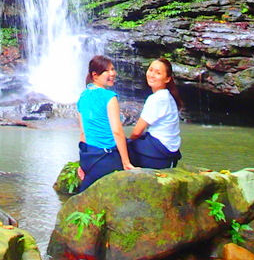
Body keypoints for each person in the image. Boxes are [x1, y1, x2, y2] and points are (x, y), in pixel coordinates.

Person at [76, 54, 135, 191]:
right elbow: (117, 132)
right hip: (107, 157)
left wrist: (82, 163)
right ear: (95, 75)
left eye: (113, 69)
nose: (112, 73)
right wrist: (126, 162)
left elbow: (83, 133)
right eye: (107, 71)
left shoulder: (82, 97)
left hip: (90, 157)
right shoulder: (109, 97)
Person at [128, 58, 182, 169]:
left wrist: (128, 143)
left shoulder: (157, 98)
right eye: (150, 70)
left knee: (120, 146)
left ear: (167, 79)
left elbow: (137, 132)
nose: (152, 75)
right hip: (168, 152)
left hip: (159, 154)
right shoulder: (167, 96)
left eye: (158, 73)